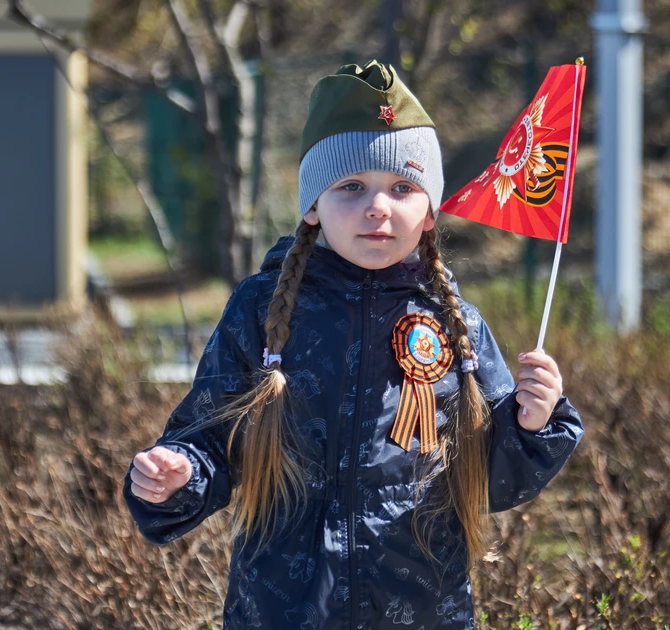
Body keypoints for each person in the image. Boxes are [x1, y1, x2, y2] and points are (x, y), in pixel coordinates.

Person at [123, 60, 584, 630]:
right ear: (313, 206)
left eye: (402, 187)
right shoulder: (263, 310)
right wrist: (180, 474)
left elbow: (492, 478)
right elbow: (210, 435)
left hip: (422, 611)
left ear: (431, 212)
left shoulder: (456, 325)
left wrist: (534, 423)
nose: (378, 207)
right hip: (283, 610)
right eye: (351, 186)